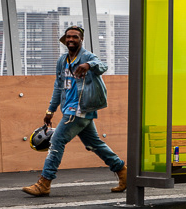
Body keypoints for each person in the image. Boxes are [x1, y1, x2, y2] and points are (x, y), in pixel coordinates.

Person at [21, 26, 127, 197]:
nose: (71, 40)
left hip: (79, 109)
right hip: (69, 109)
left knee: (56, 140)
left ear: (81, 39)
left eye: (75, 37)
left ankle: (44, 183)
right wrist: (51, 109)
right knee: (94, 144)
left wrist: (88, 65)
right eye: (68, 37)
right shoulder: (62, 61)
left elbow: (103, 66)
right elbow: (58, 86)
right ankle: (122, 170)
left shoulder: (87, 56)